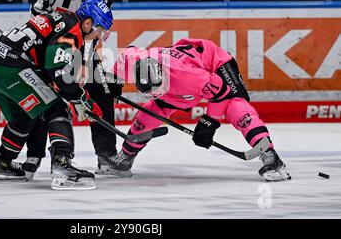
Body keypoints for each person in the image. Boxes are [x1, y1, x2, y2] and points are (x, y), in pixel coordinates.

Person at [105, 38, 291, 182]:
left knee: (237, 108)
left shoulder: (190, 78)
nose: (157, 93)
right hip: (184, 72)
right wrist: (114, 84)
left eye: (158, 88)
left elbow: (221, 92)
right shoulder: (134, 62)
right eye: (150, 91)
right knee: (149, 114)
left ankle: (270, 155)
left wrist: (209, 123)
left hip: (217, 65)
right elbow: (126, 54)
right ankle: (126, 157)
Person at [0, 0, 113, 190]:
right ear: (88, 23)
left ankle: (2, 162)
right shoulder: (72, 29)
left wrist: (74, 92)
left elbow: (48, 65)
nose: (98, 37)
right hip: (13, 67)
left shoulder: (61, 19)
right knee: (58, 109)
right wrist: (81, 97)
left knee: (24, 118)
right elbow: (57, 68)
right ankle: (62, 163)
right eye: (100, 31)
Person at [30, 0, 123, 177]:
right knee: (44, 99)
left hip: (81, 49)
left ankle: (106, 154)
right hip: (46, 49)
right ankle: (33, 156)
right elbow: (36, 13)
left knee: (101, 91)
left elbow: (95, 33)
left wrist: (88, 65)